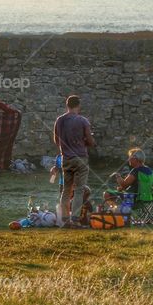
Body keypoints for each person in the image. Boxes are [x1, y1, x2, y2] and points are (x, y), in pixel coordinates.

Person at [53, 94, 95, 227]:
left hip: (66, 158)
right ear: (78, 106)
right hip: (80, 157)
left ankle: (65, 219)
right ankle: (75, 219)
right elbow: (90, 141)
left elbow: (56, 141)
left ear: (67, 105)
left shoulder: (59, 120)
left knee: (66, 189)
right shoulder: (83, 121)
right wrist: (88, 142)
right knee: (79, 189)